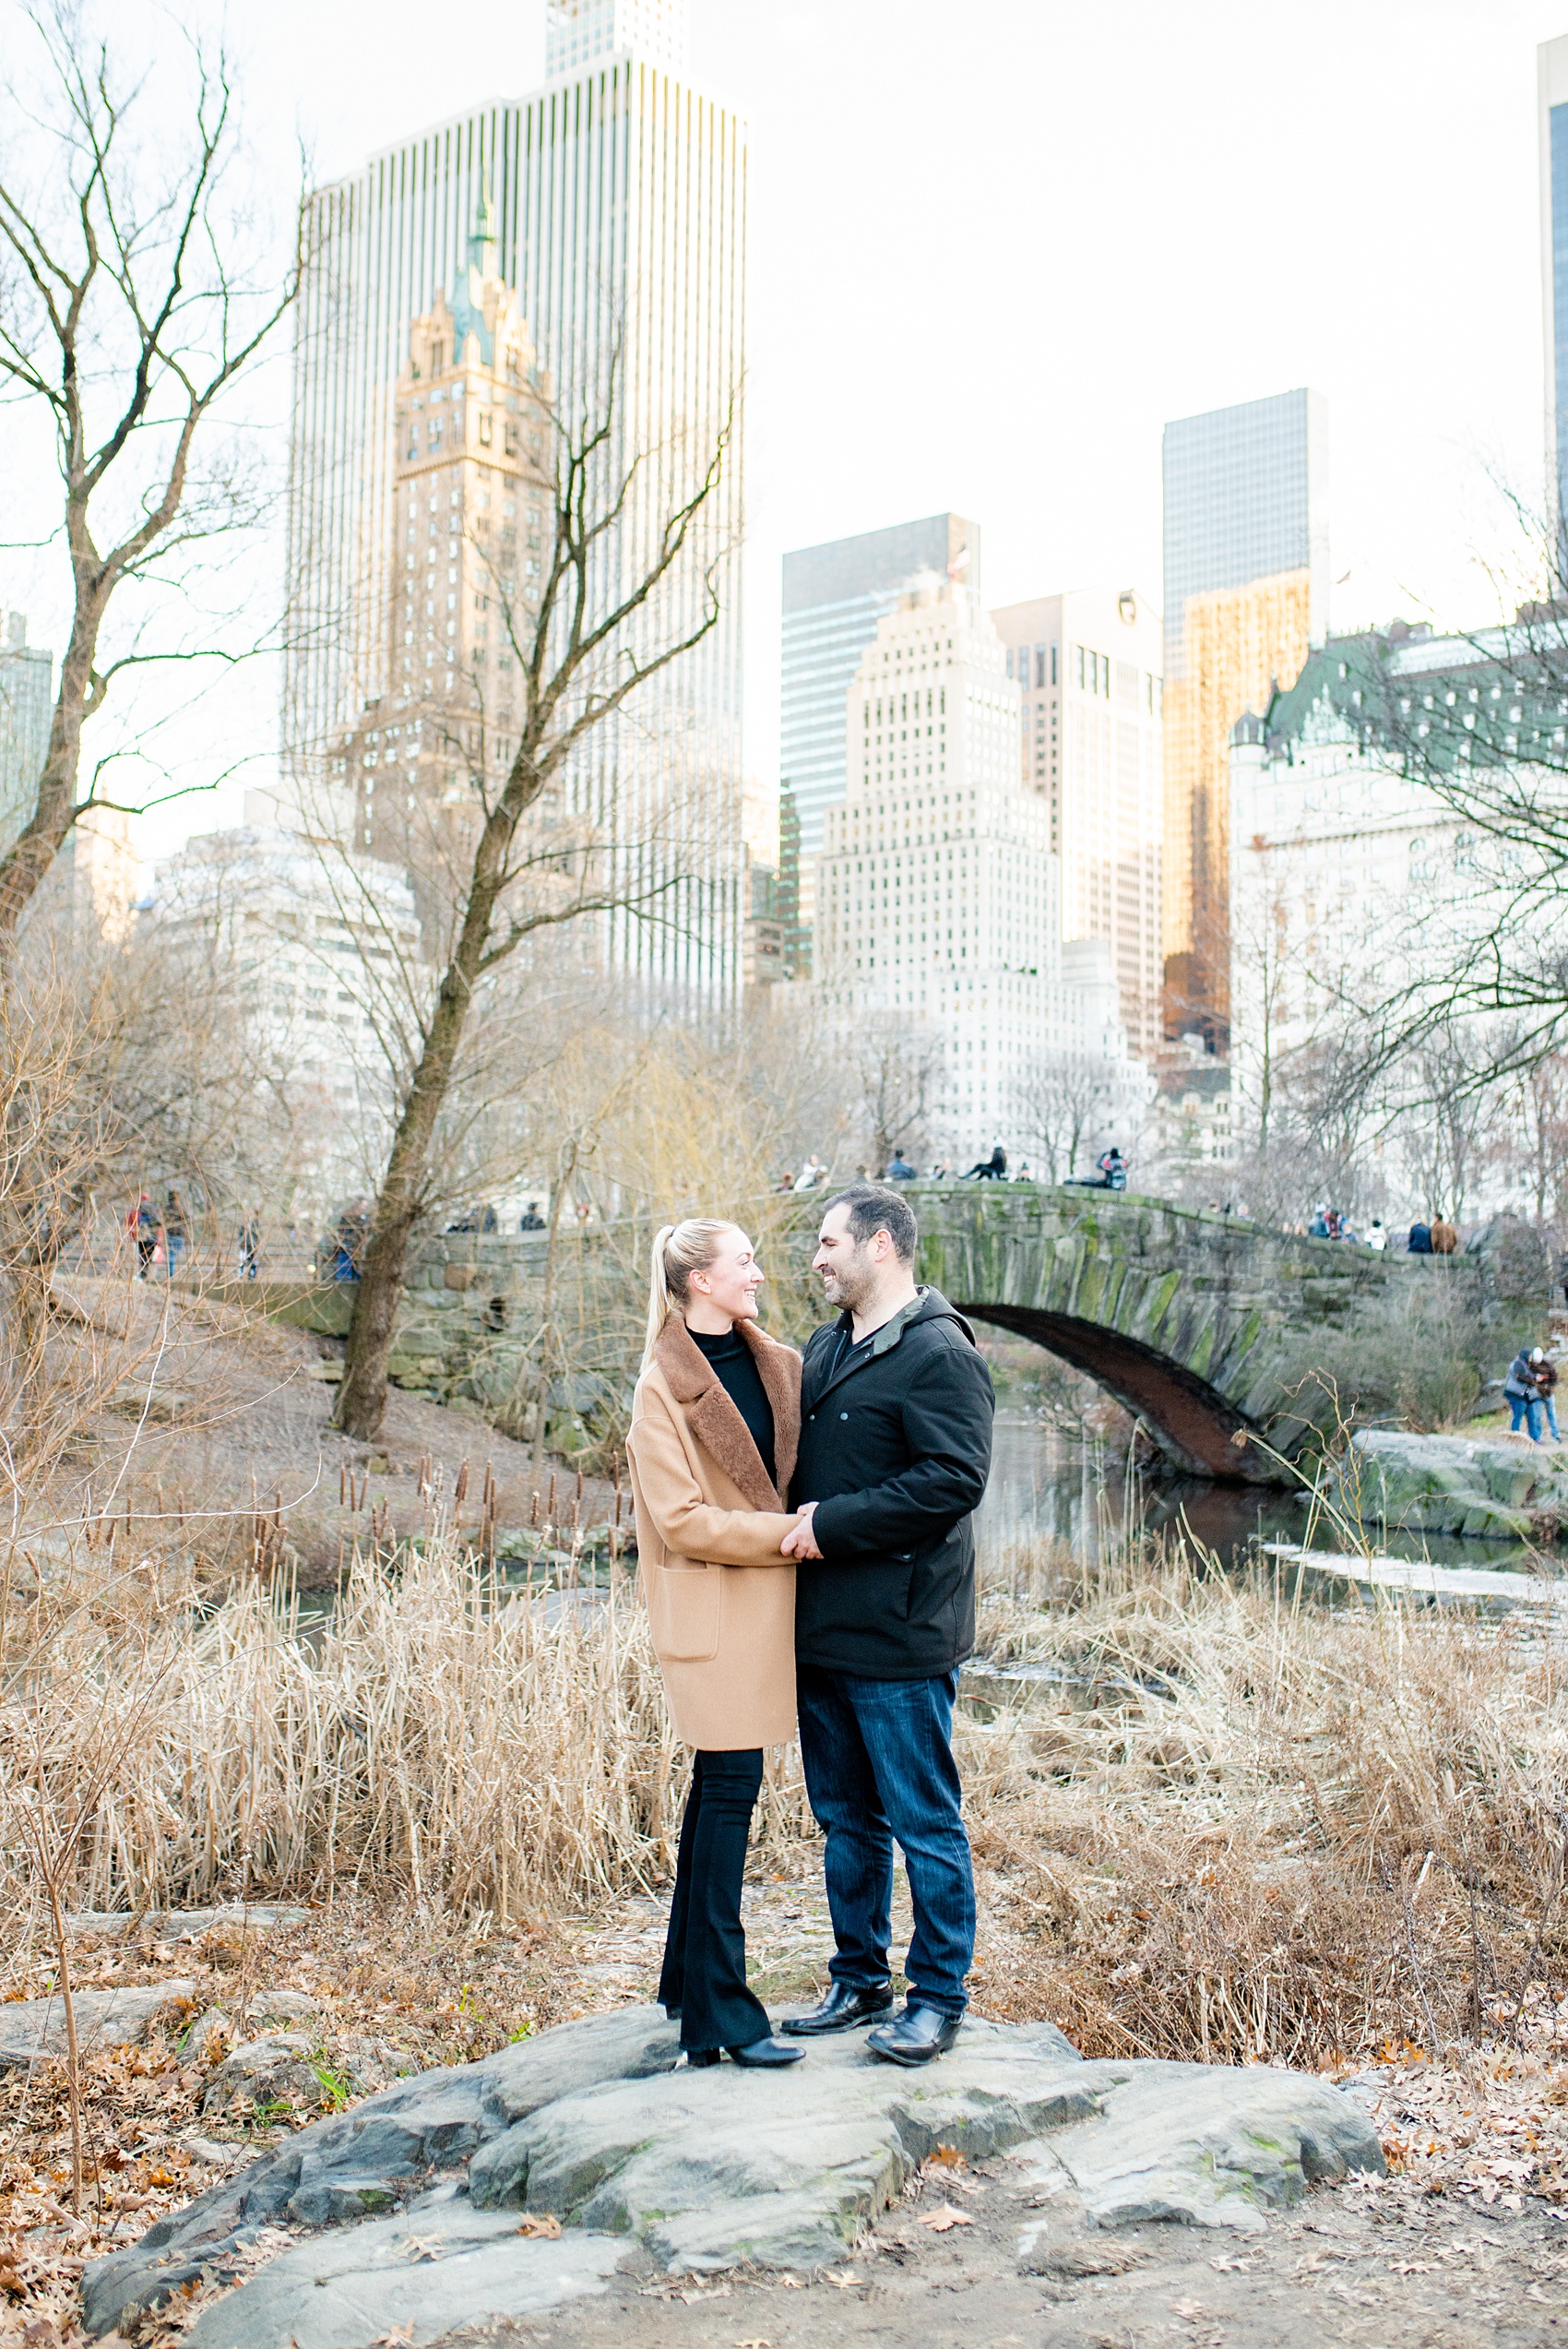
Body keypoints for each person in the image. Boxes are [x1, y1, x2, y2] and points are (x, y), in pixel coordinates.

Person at [780, 1185, 995, 2067]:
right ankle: (859, 1978)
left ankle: (938, 1997)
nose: (817, 1258)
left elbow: (953, 1482)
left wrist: (831, 1523)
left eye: (830, 1243)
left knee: (924, 1822)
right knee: (845, 1819)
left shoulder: (941, 1352)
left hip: (904, 1637)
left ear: (879, 1246)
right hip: (824, 1629)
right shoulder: (827, 1346)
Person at [625, 1220, 806, 2071]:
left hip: (769, 1609)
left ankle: (683, 1986)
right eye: (744, 1263)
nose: (759, 1274)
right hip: (711, 1611)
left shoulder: (782, 1365)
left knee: (718, 1794)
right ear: (699, 1279)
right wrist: (786, 1535)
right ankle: (722, 2019)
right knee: (730, 1795)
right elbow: (681, 1520)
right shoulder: (661, 1386)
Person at [1504, 1345, 1545, 1442]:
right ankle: (1515, 1438)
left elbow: (1529, 1375)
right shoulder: (1517, 1364)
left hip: (1526, 1396)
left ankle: (1534, 1438)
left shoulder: (1526, 1365)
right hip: (1516, 1395)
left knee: (1532, 1417)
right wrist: (1535, 1379)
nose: (1531, 1358)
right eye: (1530, 1356)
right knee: (1518, 1416)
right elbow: (1521, 1377)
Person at [1534, 1350, 1561, 1442]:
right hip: (1537, 1395)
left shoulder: (1548, 1365)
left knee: (1551, 1414)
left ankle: (1555, 1435)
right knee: (1537, 1416)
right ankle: (1537, 1437)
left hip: (1548, 1394)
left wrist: (1550, 1386)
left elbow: (1554, 1378)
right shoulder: (1531, 1366)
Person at [163, 1190, 188, 1280]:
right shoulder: (180, 1209)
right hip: (178, 1234)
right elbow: (186, 1219)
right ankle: (171, 1274)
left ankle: (171, 1273)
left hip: (170, 1234)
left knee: (171, 1254)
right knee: (174, 1255)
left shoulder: (166, 1209)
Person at [237, 1210, 260, 1280]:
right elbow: (240, 1235)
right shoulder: (244, 1224)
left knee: (253, 1261)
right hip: (244, 1246)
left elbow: (257, 1236)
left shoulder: (255, 1224)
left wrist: (255, 1244)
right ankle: (240, 1275)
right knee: (242, 1261)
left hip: (252, 1246)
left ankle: (251, 1276)